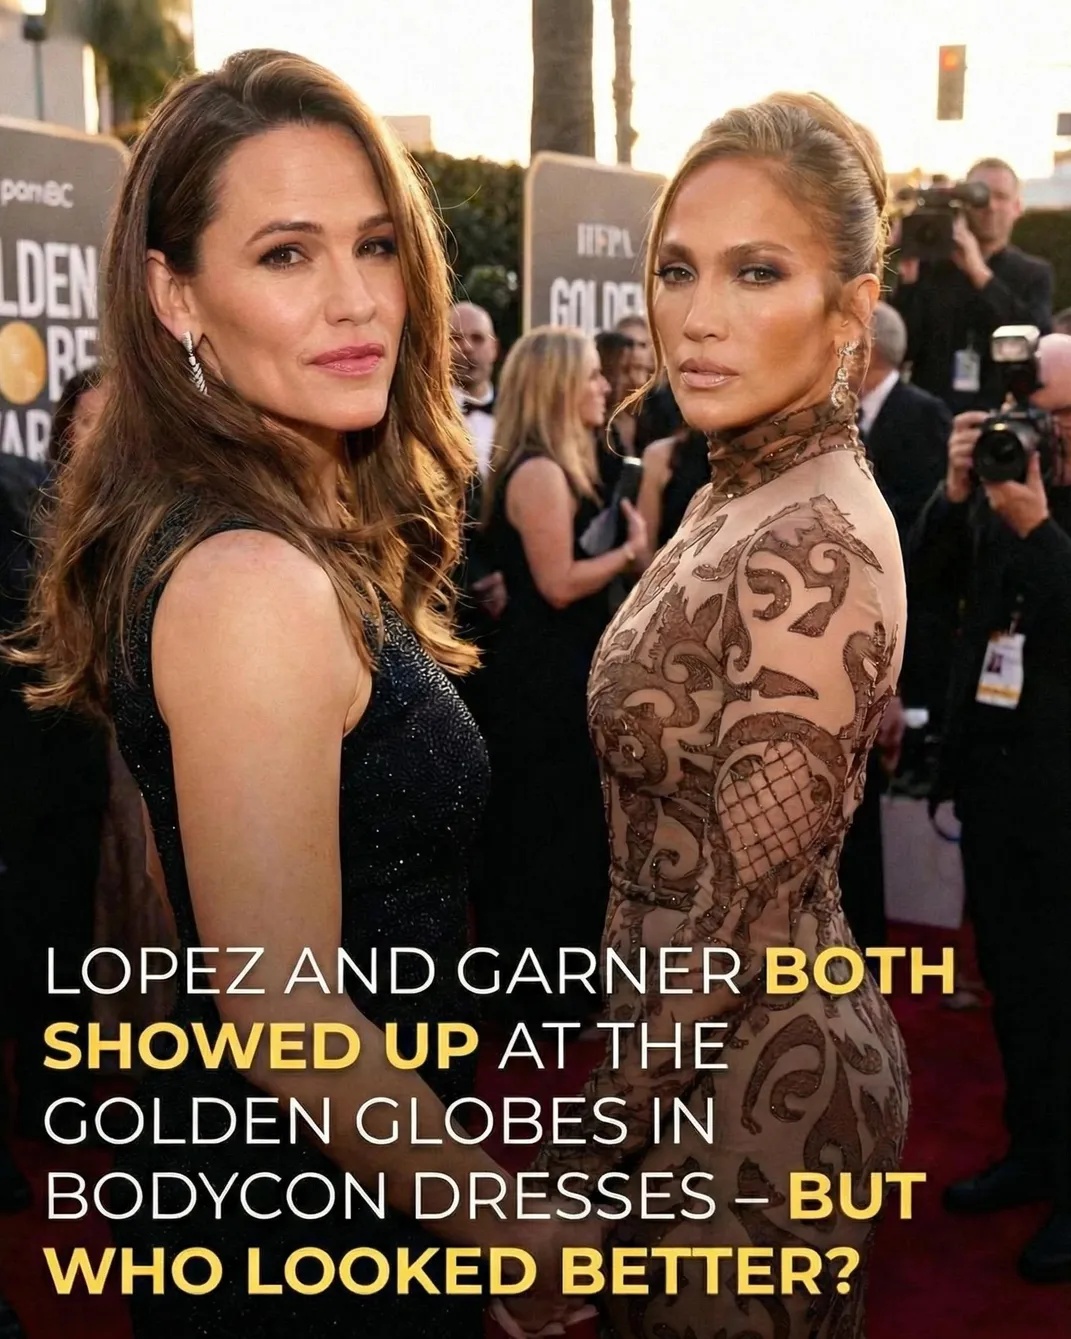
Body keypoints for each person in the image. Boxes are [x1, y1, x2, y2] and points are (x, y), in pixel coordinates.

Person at [10, 50, 593, 1338]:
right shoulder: (250, 581)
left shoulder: (270, 526)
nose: (356, 299)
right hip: (305, 1217)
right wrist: (502, 1226)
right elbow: (284, 1007)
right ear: (176, 297)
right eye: (286, 253)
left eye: (376, 244)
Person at [532, 93, 910, 1338]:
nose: (698, 316)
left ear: (850, 310)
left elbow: (741, 927)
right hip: (674, 1058)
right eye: (677, 269)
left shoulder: (815, 543)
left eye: (758, 272)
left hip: (760, 1086)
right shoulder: (728, 490)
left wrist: (578, 1177)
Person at [909, 332, 1071, 1283]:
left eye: (1053, 413)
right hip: (998, 781)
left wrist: (1039, 530)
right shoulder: (1001, 477)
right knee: (1014, 979)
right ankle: (1035, 1148)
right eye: (1026, 410)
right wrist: (956, 489)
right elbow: (929, 589)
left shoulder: (1036, 508)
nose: (1036, 429)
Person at [476, 326, 647, 1028]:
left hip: (555, 670)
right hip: (538, 682)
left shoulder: (558, 464)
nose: (604, 386)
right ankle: (536, 1000)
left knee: (563, 830)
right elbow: (557, 582)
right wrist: (630, 553)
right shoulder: (540, 471)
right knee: (542, 833)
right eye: (591, 376)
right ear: (556, 385)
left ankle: (557, 993)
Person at [891, 158, 1053, 412]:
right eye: (980, 197)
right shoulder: (931, 268)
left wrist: (979, 273)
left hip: (1002, 411)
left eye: (1001, 196)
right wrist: (907, 280)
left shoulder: (1033, 274)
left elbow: (1036, 338)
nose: (990, 206)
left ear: (1017, 207)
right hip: (933, 413)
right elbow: (900, 348)